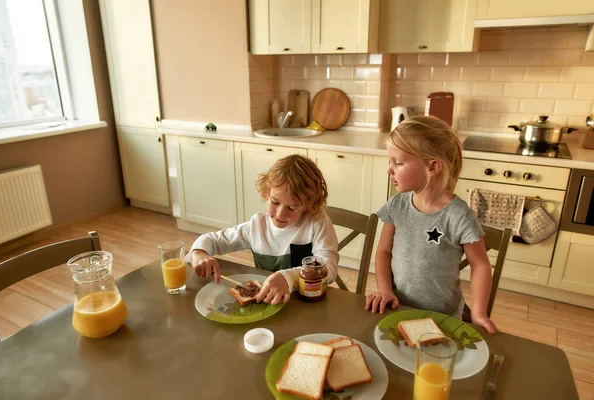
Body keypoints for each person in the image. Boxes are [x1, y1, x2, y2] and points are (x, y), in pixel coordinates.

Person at [365, 115, 498, 334]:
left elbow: (480, 265)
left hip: (442, 318)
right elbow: (383, 251)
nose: (390, 169)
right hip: (397, 308)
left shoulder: (458, 215)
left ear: (432, 167)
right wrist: (384, 290)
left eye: (398, 162)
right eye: (390, 161)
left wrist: (479, 313)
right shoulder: (397, 205)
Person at [187, 154, 339, 305]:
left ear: (308, 205)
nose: (280, 214)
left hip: (306, 305)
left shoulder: (317, 222)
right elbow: (211, 240)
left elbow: (329, 269)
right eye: (275, 202)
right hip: (268, 305)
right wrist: (199, 253)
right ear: (267, 192)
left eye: (292, 208)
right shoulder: (257, 226)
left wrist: (287, 278)